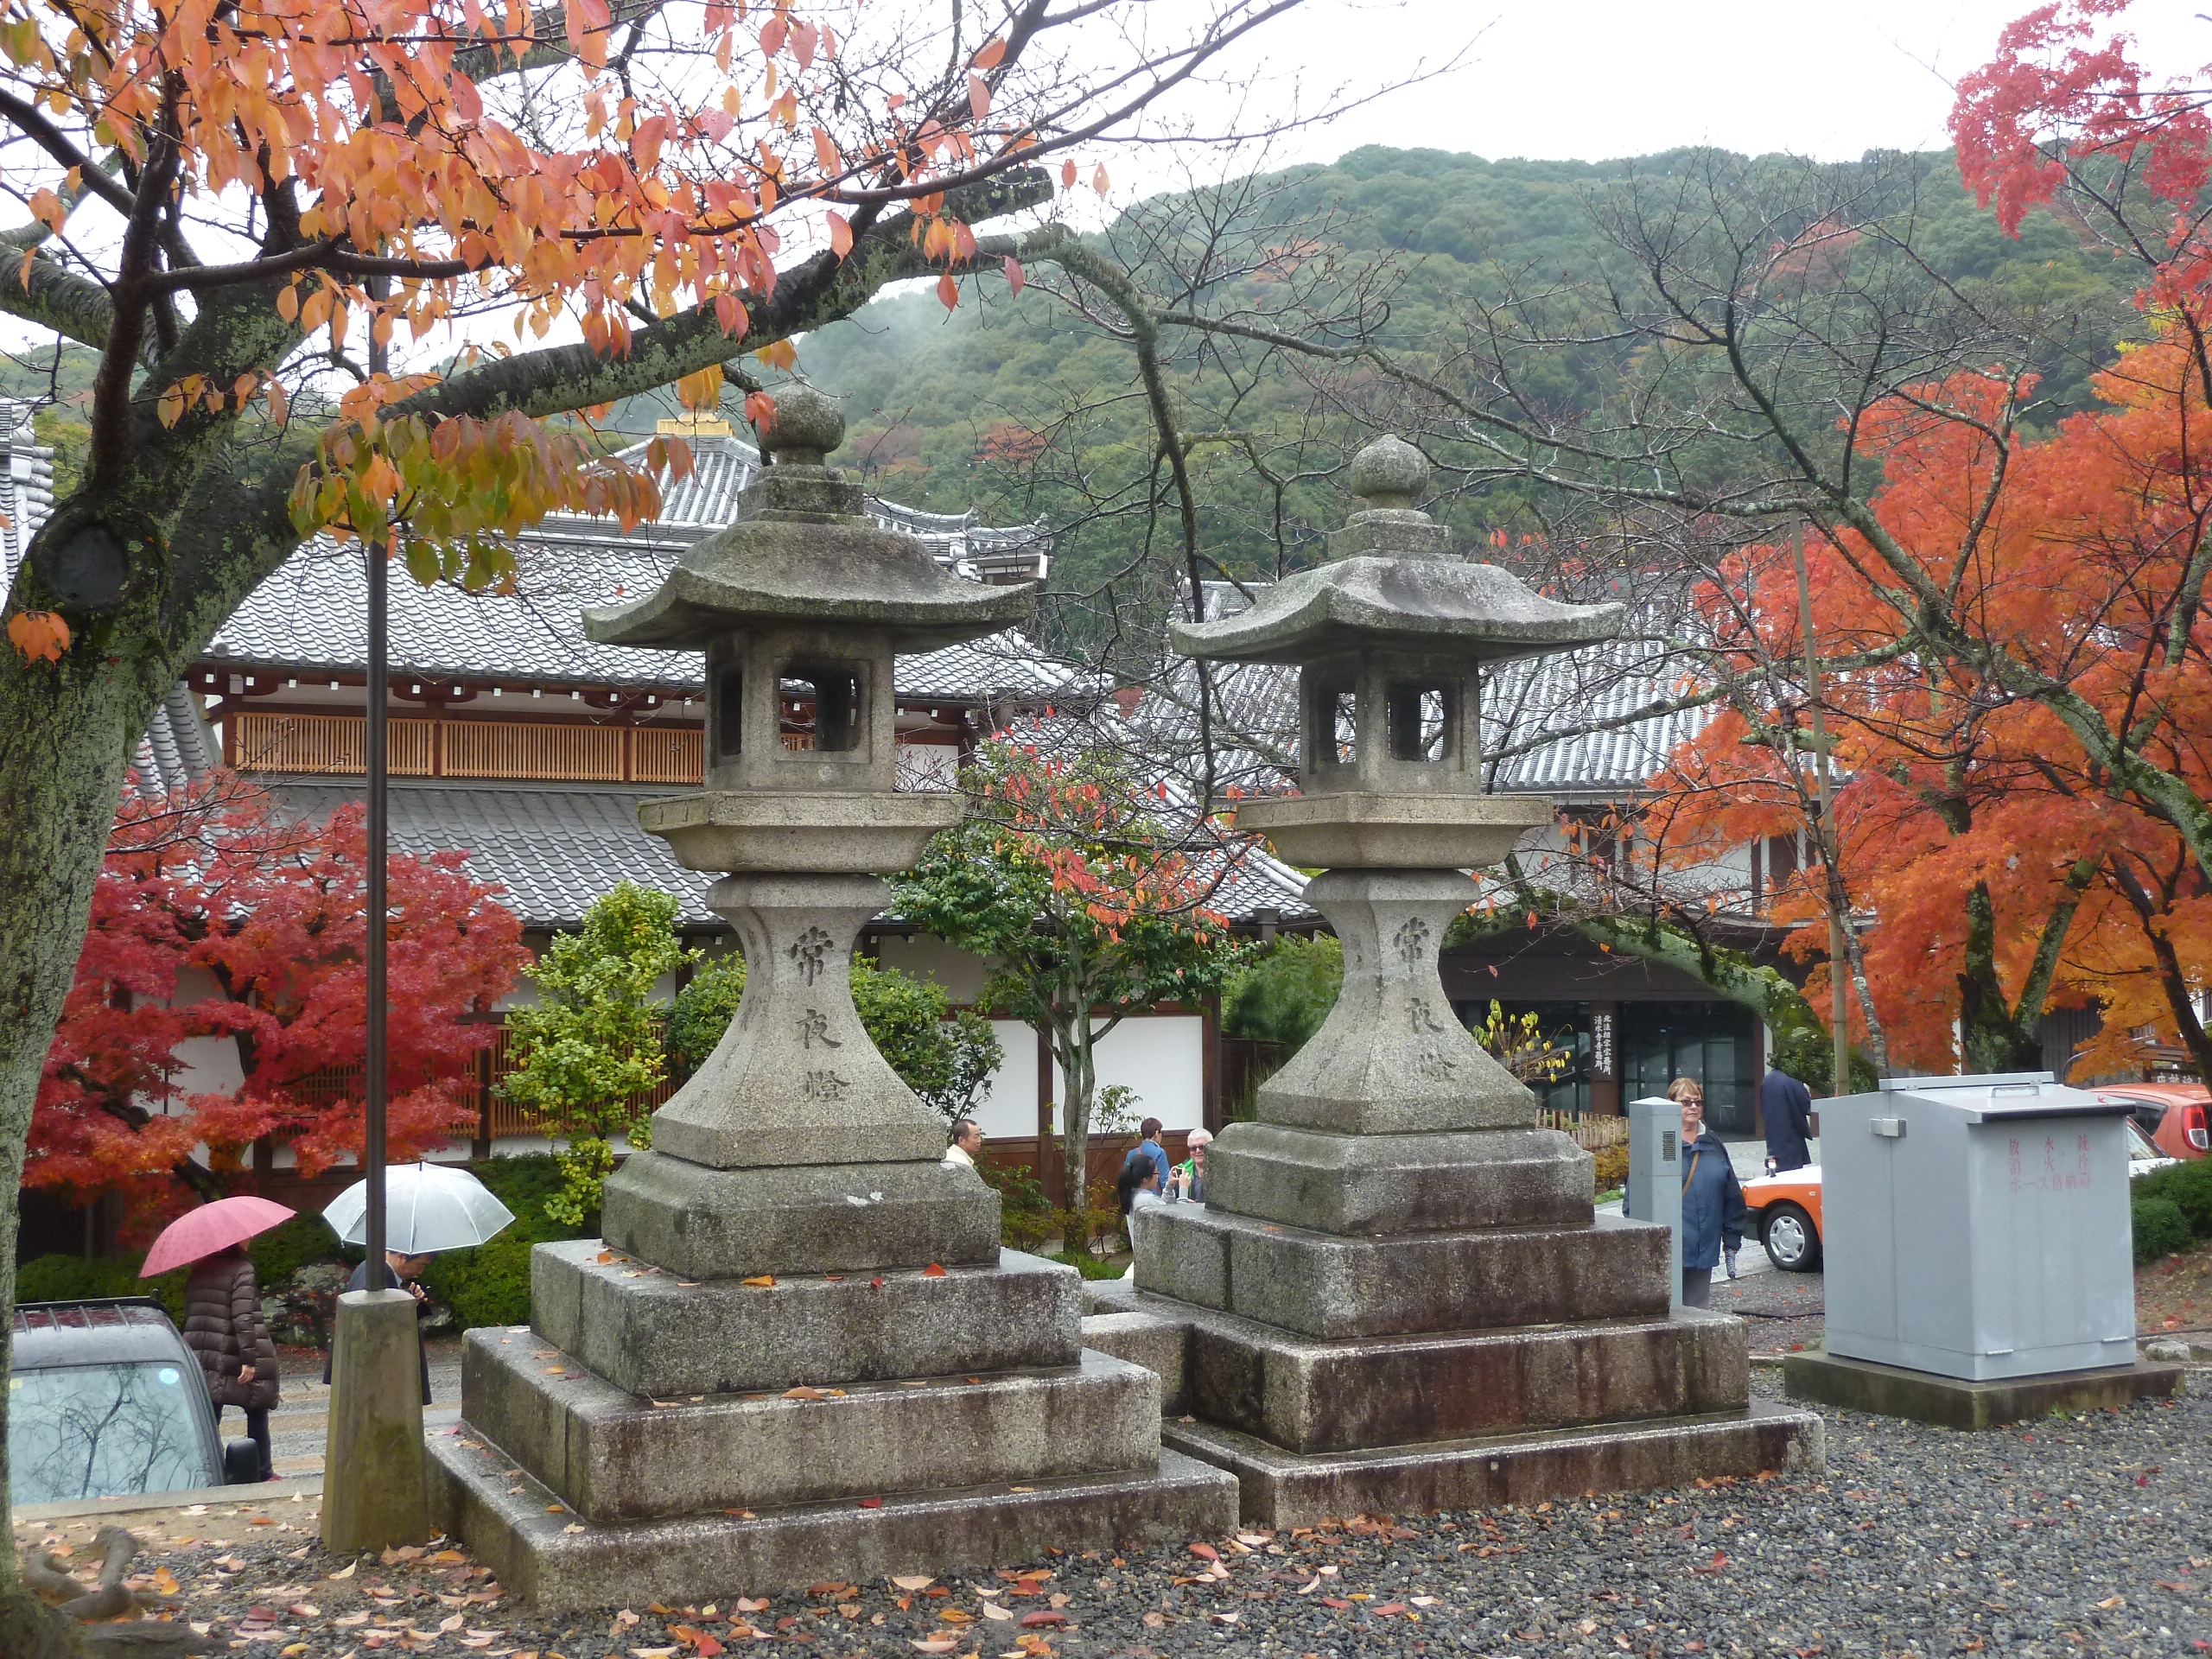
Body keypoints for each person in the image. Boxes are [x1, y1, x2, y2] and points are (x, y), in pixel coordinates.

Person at [182, 1244, 281, 1480]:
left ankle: (206, 1469)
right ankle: (262, 1470)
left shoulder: (200, 1268)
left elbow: (190, 1309)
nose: (251, 1239)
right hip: (234, 1351)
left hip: (203, 1349)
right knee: (256, 1406)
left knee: (210, 1411)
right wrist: (249, 1359)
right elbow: (243, 1316)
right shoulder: (242, 1269)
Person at [1669, 1077, 1746, 1306]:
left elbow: (1732, 1195)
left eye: (1698, 1102)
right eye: (1686, 1102)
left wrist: (1731, 1241)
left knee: (1698, 1314)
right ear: (1670, 1104)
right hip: (1668, 1249)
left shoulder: (1713, 1143)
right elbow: (1635, 1201)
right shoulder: (1660, 1142)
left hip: (1705, 1249)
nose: (1693, 1107)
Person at [324, 1249, 435, 1405]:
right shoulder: (378, 1276)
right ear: (402, 1257)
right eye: (419, 1265)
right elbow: (373, 1322)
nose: (420, 1271)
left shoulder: (372, 1268)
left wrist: (409, 1300)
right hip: (374, 1371)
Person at [1759, 1065, 1815, 1174]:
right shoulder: (1792, 1079)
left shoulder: (1768, 1079)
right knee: (1791, 1170)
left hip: (1772, 1131)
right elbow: (1806, 1105)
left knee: (1776, 1161)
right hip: (1790, 1132)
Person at [1173, 1128, 1213, 1203]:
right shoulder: (1181, 1171)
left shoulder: (1222, 1170)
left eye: (1202, 1147)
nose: (1198, 1151)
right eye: (1193, 1148)